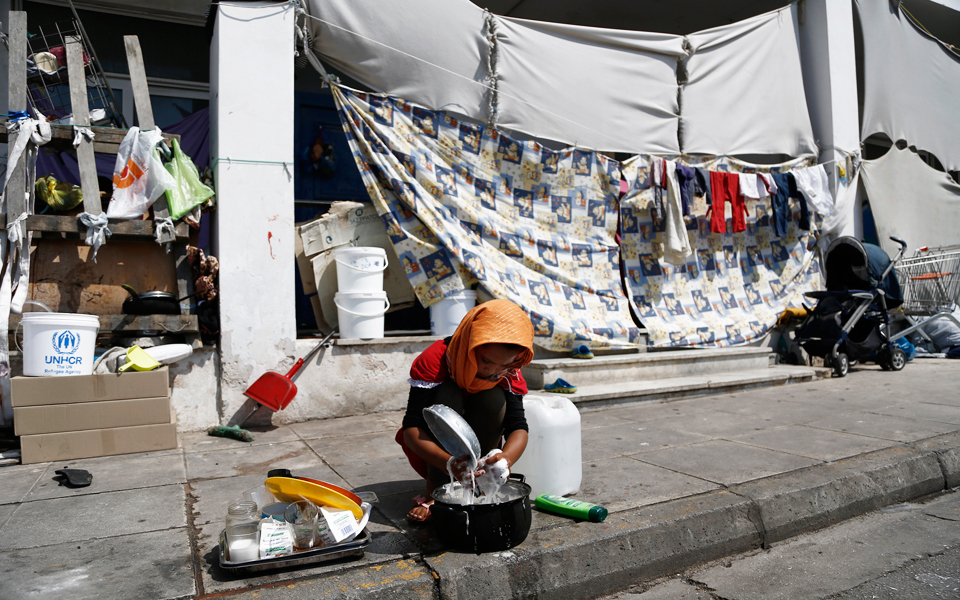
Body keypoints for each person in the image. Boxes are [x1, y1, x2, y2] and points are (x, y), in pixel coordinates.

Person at [396, 299, 534, 523]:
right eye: (485, 360)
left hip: (481, 447)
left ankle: (478, 485)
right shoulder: (436, 360)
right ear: (470, 342)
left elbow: (518, 427)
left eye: (503, 365)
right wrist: (448, 463)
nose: (492, 370)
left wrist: (505, 459)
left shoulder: (509, 372)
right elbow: (412, 428)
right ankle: (436, 490)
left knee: (493, 398)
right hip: (435, 453)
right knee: (446, 395)